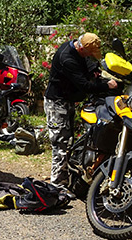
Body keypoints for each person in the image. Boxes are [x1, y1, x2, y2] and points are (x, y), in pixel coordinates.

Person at [44, 33, 118, 190]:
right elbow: (84, 85)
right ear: (82, 47)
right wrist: (106, 86)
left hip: (68, 101)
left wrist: (94, 71)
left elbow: (86, 63)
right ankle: (57, 187)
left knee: (68, 140)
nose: (91, 55)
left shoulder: (77, 50)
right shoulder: (67, 58)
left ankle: (66, 180)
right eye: (90, 53)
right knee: (61, 144)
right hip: (57, 104)